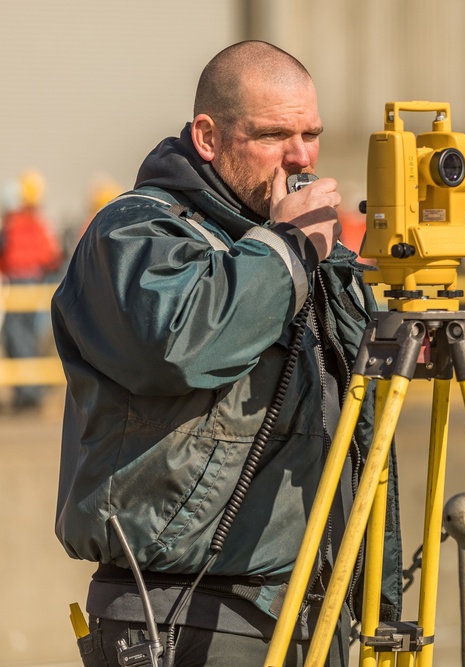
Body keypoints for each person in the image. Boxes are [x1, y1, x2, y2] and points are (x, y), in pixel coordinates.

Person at [51, 41, 402, 667]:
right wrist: (288, 249)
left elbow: (360, 426)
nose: (299, 158)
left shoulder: (300, 249)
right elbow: (182, 343)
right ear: (208, 137)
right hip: (184, 612)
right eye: (273, 135)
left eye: (310, 134)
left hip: (310, 605)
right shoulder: (134, 234)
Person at [0, 169, 63, 412]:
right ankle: (28, 392)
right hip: (32, 282)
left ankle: (30, 393)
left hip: (23, 283)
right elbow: (51, 255)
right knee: (23, 336)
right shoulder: (33, 222)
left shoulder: (21, 223)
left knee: (20, 336)